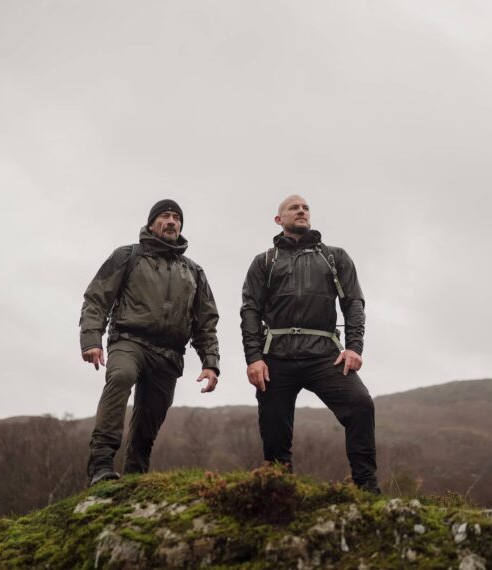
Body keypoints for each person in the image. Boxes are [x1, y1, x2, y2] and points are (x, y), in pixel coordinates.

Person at [240, 195, 379, 492]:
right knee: (274, 430)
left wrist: (354, 347)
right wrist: (253, 358)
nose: (301, 211)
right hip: (275, 357)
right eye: (294, 208)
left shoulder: (334, 257)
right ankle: (280, 490)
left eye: (305, 208)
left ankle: (366, 487)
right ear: (279, 220)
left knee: (361, 404)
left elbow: (353, 302)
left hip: (324, 356)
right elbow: (250, 311)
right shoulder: (264, 261)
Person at [80, 199, 220, 485]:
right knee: (121, 376)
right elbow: (97, 297)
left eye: (176, 218)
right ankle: (101, 464)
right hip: (129, 340)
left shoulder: (194, 271)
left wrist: (211, 363)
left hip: (169, 354)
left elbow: (206, 321)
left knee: (149, 420)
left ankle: (133, 480)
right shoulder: (128, 256)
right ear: (152, 223)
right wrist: (91, 338)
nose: (171, 221)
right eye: (165, 216)